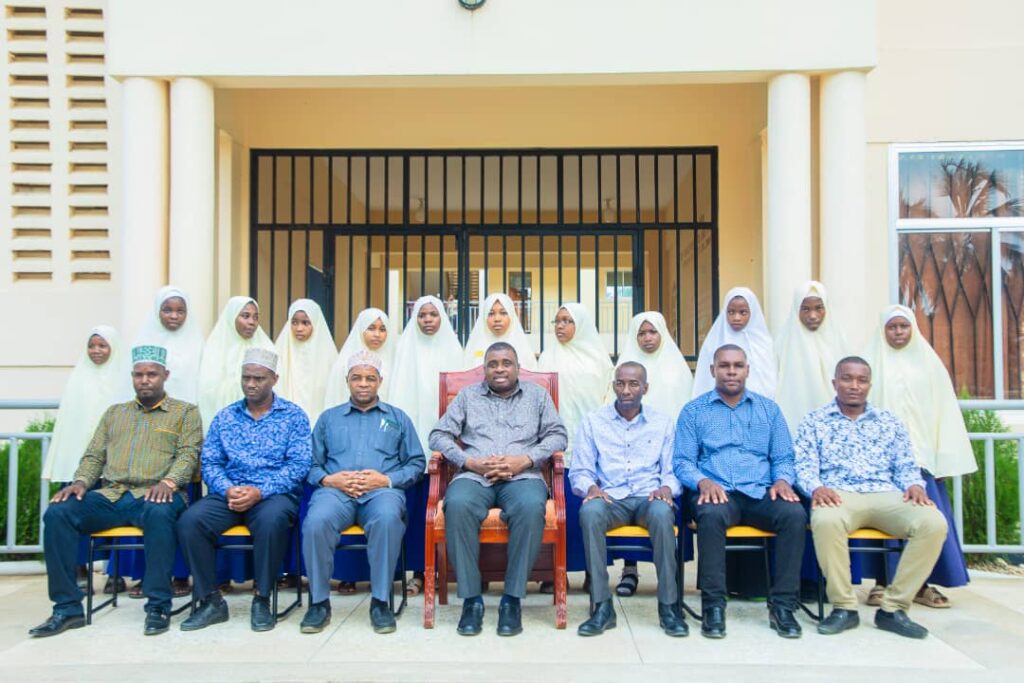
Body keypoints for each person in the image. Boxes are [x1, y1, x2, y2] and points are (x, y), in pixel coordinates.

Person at [30, 346, 202, 638]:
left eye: (151, 374)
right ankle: (67, 608)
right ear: (132, 377)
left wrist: (170, 483)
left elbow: (189, 454)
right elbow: (94, 456)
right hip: (111, 496)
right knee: (59, 513)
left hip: (157, 494)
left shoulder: (185, 412)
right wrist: (81, 482)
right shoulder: (114, 414)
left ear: (165, 375)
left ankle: (158, 606)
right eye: (139, 375)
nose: (145, 380)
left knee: (159, 513)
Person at [795, 356, 949, 639]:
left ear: (869, 385)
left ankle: (894, 608)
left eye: (862, 380)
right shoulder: (814, 421)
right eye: (847, 379)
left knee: (933, 523)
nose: (854, 385)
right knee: (826, 521)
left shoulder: (889, 422)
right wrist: (816, 488)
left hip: (886, 493)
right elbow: (804, 467)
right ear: (834, 383)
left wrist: (914, 485)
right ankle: (844, 607)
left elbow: (905, 465)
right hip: (838, 494)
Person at [429, 342, 567, 637]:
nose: (500, 369)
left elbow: (558, 436)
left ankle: (512, 600)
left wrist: (525, 460)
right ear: (485, 369)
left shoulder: (538, 396)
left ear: (517, 368)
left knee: (530, 508)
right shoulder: (467, 396)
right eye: (493, 364)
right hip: (475, 476)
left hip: (522, 476)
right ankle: (471, 601)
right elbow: (438, 435)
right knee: (458, 505)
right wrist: (469, 462)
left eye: (506, 363)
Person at [673, 344, 806, 639]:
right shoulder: (694, 411)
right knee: (710, 515)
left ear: (747, 370)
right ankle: (713, 607)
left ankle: (783, 606)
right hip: (716, 491)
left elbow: (784, 457)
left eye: (737, 366)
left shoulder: (769, 410)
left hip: (760, 492)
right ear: (713, 370)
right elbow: (682, 462)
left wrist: (783, 480)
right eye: (724, 366)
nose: (731, 372)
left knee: (794, 514)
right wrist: (702, 482)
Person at [176, 348, 311, 633]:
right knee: (190, 521)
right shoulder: (225, 417)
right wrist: (228, 490)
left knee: (272, 521)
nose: (251, 384)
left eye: (258, 378)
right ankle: (211, 600)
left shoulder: (293, 416)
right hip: (230, 493)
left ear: (274, 379)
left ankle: (262, 598)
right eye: (246, 378)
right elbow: (211, 462)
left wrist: (260, 491)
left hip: (273, 494)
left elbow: (299, 465)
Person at [300, 350, 425, 635]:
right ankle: (319, 603)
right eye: (357, 378)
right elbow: (310, 463)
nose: (363, 384)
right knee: (316, 522)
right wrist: (330, 479)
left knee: (388, 519)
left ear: (380, 381)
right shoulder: (328, 418)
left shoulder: (398, 418)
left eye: (370, 378)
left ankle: (380, 602)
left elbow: (417, 462)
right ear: (347, 381)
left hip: (381, 493)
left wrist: (386, 479)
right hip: (336, 493)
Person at [862, 305, 977, 608]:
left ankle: (922, 585)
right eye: (892, 327)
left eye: (903, 326)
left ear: (913, 328)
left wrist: (944, 458)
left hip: (922, 460)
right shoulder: (871, 363)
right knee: (886, 525)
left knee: (927, 522)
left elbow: (945, 414)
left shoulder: (930, 365)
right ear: (883, 330)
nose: (898, 332)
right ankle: (883, 582)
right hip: (881, 465)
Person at [571, 361, 687, 638]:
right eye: (620, 383)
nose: (626, 390)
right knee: (589, 513)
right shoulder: (593, 421)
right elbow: (580, 470)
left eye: (633, 384)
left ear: (645, 388)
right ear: (613, 386)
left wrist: (667, 488)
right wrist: (590, 487)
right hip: (611, 498)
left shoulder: (662, 423)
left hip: (649, 495)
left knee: (662, 513)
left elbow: (673, 470)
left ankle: (669, 607)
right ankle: (601, 606)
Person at [610, 311, 694, 594]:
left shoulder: (677, 367)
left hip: (668, 452)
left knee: (663, 511)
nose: (647, 338)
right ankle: (629, 571)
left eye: (652, 332)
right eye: (641, 333)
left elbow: (687, 412)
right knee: (628, 495)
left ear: (663, 333)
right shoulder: (624, 367)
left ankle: (669, 576)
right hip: (630, 452)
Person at [389, 295, 464, 598]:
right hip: (410, 447)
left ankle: (439, 571)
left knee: (441, 510)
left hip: (446, 446)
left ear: (442, 317)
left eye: (433, 314)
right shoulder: (404, 350)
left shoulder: (455, 352)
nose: (428, 320)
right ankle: (413, 571)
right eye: (422, 315)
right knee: (414, 509)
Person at [538, 303, 613, 581]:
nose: (560, 326)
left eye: (567, 321)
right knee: (560, 510)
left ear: (580, 324)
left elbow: (609, 399)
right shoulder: (547, 357)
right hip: (555, 447)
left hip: (593, 444)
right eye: (557, 321)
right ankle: (556, 574)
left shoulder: (599, 360)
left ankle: (594, 572)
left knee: (591, 507)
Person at [43, 326, 129, 484]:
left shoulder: (124, 379)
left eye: (102, 346)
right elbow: (69, 420)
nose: (96, 351)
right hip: (79, 450)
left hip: (112, 452)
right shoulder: (78, 378)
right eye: (91, 346)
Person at [775, 281, 849, 435]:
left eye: (818, 308)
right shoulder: (783, 344)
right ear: (797, 310)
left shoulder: (839, 342)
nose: (813, 316)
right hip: (793, 421)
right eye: (806, 309)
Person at [198, 297, 274, 432]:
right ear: (232, 317)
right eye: (245, 316)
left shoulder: (267, 348)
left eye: (255, 317)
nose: (251, 322)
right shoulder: (215, 349)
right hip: (223, 424)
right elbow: (207, 392)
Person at [692, 287, 776, 399]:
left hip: (759, 406)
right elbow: (704, 381)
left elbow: (771, 381)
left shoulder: (764, 343)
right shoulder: (713, 343)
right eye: (731, 312)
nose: (736, 318)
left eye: (743, 312)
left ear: (753, 312)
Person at [134, 286, 204, 404]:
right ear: (157, 311)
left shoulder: (198, 345)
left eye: (180, 311)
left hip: (188, 410)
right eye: (167, 311)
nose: (174, 316)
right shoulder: (144, 342)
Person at [274, 299, 337, 423]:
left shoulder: (329, 356)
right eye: (294, 322)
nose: (299, 328)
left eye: (305, 323)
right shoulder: (280, 351)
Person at [324, 308, 395, 408]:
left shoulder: (395, 362)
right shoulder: (345, 363)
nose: (377, 334)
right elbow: (336, 399)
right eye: (371, 328)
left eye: (382, 329)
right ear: (361, 329)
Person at [463, 293, 538, 370]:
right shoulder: (474, 348)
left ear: (511, 316)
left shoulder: (523, 349)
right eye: (491, 314)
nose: (497, 319)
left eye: (503, 313)